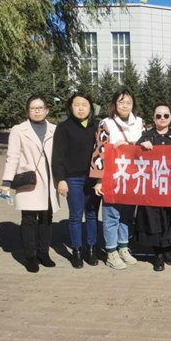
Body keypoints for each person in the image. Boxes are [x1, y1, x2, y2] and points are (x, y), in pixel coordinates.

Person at [1, 95, 60, 273]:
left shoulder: (55, 129)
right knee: (28, 219)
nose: (37, 111)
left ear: (47, 110)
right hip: (29, 180)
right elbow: (12, 156)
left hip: (49, 181)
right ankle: (30, 257)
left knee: (46, 218)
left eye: (40, 107)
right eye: (33, 108)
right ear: (27, 111)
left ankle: (43, 253)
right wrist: (6, 181)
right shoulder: (19, 130)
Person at [90, 89, 144, 270]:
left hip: (133, 177)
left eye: (128, 102)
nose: (125, 106)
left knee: (127, 215)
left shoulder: (140, 123)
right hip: (112, 177)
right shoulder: (106, 123)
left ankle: (123, 247)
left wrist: (127, 145)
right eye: (121, 102)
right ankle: (111, 252)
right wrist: (99, 180)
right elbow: (99, 150)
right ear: (115, 104)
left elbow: (144, 147)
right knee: (112, 215)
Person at [136, 104, 171, 272]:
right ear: (153, 118)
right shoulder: (146, 136)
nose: (162, 119)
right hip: (151, 188)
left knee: (169, 219)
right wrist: (140, 147)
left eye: (166, 115)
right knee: (153, 220)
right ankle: (157, 254)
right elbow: (133, 156)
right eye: (158, 116)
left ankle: (167, 250)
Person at [52, 94, 100, 269]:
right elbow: (58, 156)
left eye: (84, 105)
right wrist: (61, 180)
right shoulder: (63, 127)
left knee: (92, 214)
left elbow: (104, 152)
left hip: (93, 178)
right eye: (77, 105)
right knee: (75, 215)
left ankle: (91, 249)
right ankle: (77, 251)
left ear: (90, 108)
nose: (81, 108)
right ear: (70, 107)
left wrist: (100, 178)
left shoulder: (97, 127)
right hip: (73, 179)